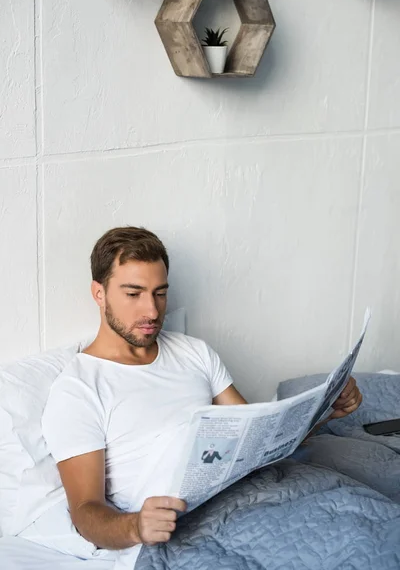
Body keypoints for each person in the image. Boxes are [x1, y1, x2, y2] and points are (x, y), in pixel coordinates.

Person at [41, 226, 362, 555]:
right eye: (133, 294)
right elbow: (85, 510)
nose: (152, 311)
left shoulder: (194, 352)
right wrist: (136, 525)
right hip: (188, 530)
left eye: (160, 293)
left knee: (363, 525)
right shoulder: (78, 389)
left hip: (254, 495)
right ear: (99, 293)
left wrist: (325, 412)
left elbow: (261, 441)